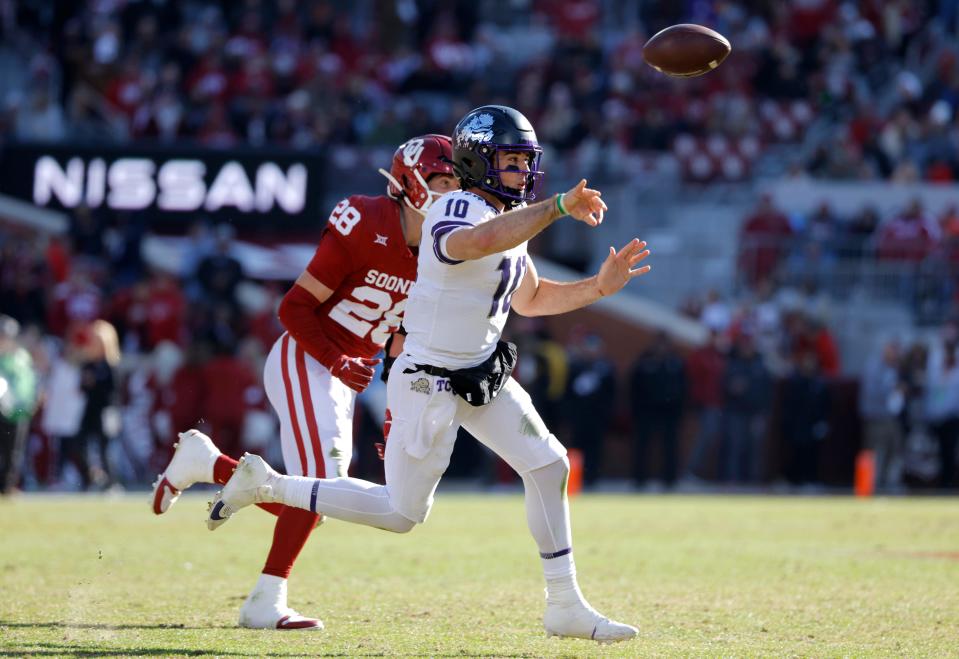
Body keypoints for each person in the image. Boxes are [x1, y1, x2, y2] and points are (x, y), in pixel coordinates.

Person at [207, 105, 650, 642]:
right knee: (401, 514)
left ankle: (564, 604)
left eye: (525, 162)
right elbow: (476, 243)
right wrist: (556, 207)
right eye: (510, 161)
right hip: (428, 379)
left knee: (549, 465)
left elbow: (530, 299)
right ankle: (269, 483)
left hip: (481, 372)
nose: (522, 173)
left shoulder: (510, 215)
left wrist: (598, 288)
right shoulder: (451, 208)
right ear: (477, 161)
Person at [150, 135, 459, 630]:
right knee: (320, 488)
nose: (451, 192)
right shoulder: (366, 220)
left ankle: (211, 464)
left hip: (347, 372)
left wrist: (396, 416)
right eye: (442, 180)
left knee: (320, 500)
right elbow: (292, 308)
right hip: (308, 357)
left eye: (456, 182)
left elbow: (403, 342)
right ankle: (264, 600)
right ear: (408, 184)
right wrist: (337, 361)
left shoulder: (446, 249)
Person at [0, 315, 39, 494]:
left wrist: (33, 399)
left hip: (19, 410)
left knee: (14, 451)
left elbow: (30, 381)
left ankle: (7, 486)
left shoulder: (22, 357)